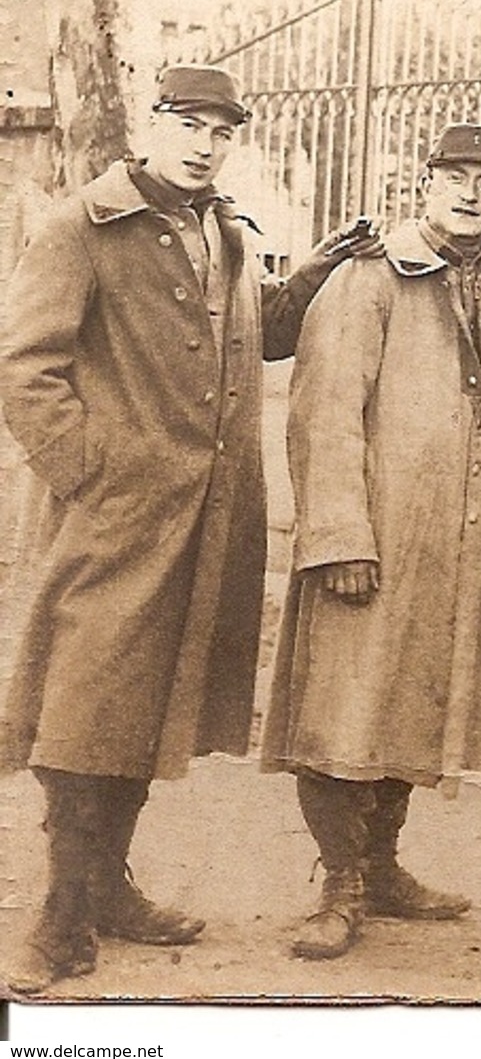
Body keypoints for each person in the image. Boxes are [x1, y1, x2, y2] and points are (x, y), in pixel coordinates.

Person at [0, 65, 377, 994]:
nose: (205, 143)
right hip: (112, 516)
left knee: (146, 704)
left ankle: (107, 888)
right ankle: (59, 913)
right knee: (85, 706)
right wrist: (91, 471)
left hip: (208, 518)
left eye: (221, 128)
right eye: (188, 124)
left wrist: (315, 274)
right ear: (150, 125)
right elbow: (24, 366)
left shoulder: (226, 230)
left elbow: (254, 341)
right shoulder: (80, 227)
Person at [258, 123, 481, 960]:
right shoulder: (368, 278)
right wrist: (340, 533)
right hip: (373, 538)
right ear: (423, 184)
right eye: (452, 177)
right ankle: (338, 883)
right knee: (339, 708)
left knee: (414, 698)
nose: (467, 194)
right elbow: (323, 414)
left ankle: (381, 866)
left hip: (454, 542)